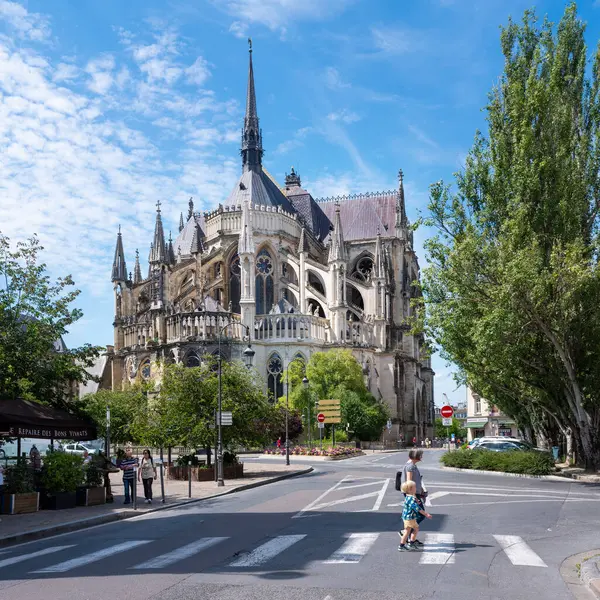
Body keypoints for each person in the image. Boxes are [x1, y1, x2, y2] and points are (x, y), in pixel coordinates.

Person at [400, 448, 428, 545]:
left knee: (415, 515)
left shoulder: (411, 465)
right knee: (421, 514)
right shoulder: (410, 467)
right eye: (420, 455)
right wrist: (414, 497)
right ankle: (406, 533)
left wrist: (422, 490)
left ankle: (409, 536)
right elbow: (409, 482)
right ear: (417, 457)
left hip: (414, 493)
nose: (421, 457)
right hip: (412, 494)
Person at [398, 480, 432, 551]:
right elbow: (417, 508)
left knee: (415, 529)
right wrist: (426, 514)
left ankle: (411, 543)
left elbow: (414, 502)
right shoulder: (411, 498)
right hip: (409, 518)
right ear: (410, 489)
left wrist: (416, 500)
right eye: (414, 487)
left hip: (410, 517)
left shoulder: (409, 496)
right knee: (407, 531)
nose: (416, 488)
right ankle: (402, 545)